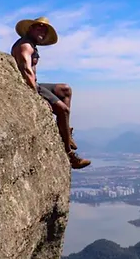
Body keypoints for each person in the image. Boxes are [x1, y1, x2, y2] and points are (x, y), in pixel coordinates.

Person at [11, 16, 91, 169]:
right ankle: (69, 154)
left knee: (65, 89)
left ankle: (66, 130)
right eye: (39, 26)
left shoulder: (31, 44)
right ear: (30, 29)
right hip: (28, 86)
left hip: (35, 84)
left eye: (45, 28)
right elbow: (27, 71)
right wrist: (36, 99)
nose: (42, 30)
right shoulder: (26, 45)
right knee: (63, 110)